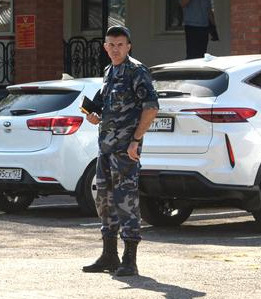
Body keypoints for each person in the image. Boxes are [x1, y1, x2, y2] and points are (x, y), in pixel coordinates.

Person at [82, 26, 159, 276]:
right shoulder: (109, 71)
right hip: (105, 148)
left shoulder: (136, 71)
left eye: (120, 45)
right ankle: (109, 255)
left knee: (126, 202)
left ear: (128, 46)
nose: (115, 49)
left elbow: (151, 108)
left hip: (125, 150)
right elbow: (105, 105)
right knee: (104, 201)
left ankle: (130, 259)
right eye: (111, 45)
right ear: (105, 47)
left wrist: (136, 140)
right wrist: (94, 116)